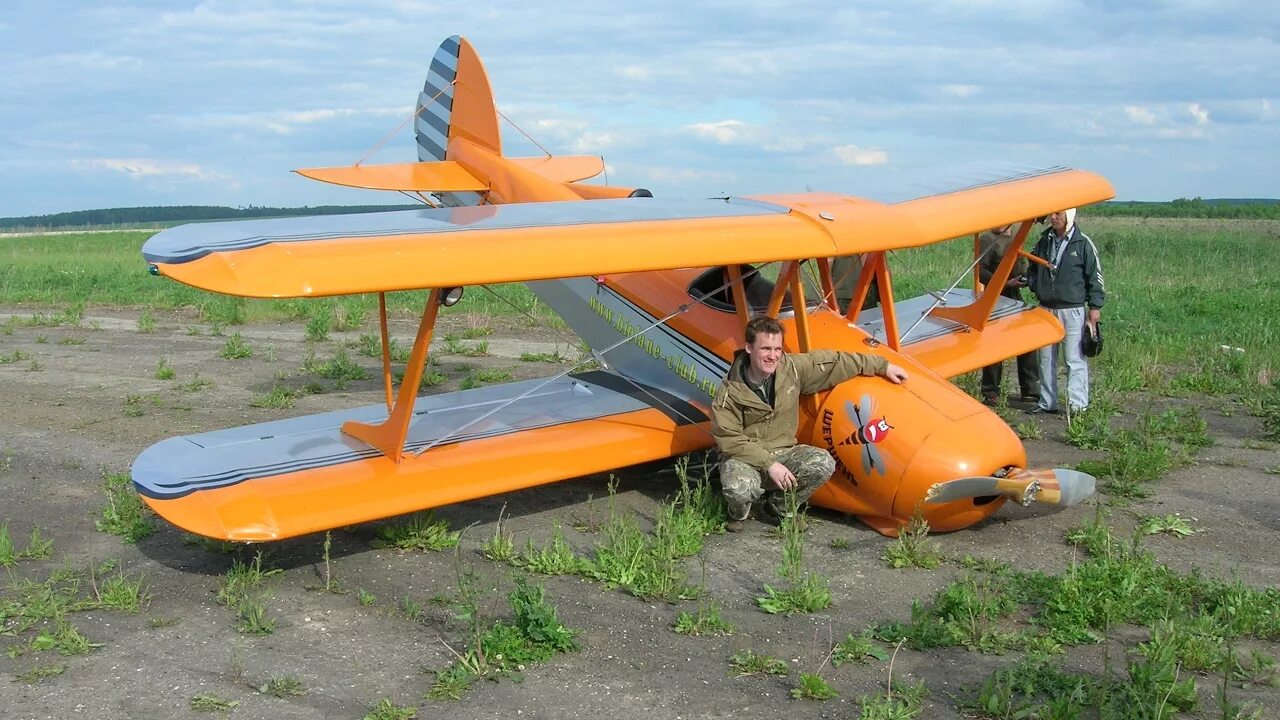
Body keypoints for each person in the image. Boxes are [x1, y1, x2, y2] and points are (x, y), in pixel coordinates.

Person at [710, 315, 909, 531]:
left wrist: (883, 366)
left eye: (777, 349)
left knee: (823, 462)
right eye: (766, 349)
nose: (773, 356)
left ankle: (778, 509)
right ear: (749, 348)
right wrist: (769, 464)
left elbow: (836, 362)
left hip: (782, 451)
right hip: (745, 457)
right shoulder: (728, 392)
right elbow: (729, 439)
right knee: (738, 488)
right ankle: (738, 513)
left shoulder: (792, 368)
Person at [1026, 208, 1104, 414]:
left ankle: (1078, 406)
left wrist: (1095, 307)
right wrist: (1035, 285)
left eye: (1058, 213)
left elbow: (1095, 277)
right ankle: (1047, 403)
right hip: (1046, 309)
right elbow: (1032, 265)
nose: (1053, 217)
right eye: (1051, 213)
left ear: (1069, 215)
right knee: (1045, 359)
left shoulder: (1083, 243)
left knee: (1074, 359)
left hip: (1073, 310)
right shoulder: (1043, 241)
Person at [978, 224, 1040, 405]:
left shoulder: (1017, 237)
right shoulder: (987, 239)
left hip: (1015, 297)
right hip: (996, 297)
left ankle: (1030, 390)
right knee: (994, 342)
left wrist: (1026, 278)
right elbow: (980, 271)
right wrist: (1006, 283)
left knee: (1027, 341)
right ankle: (990, 390)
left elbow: (1022, 264)